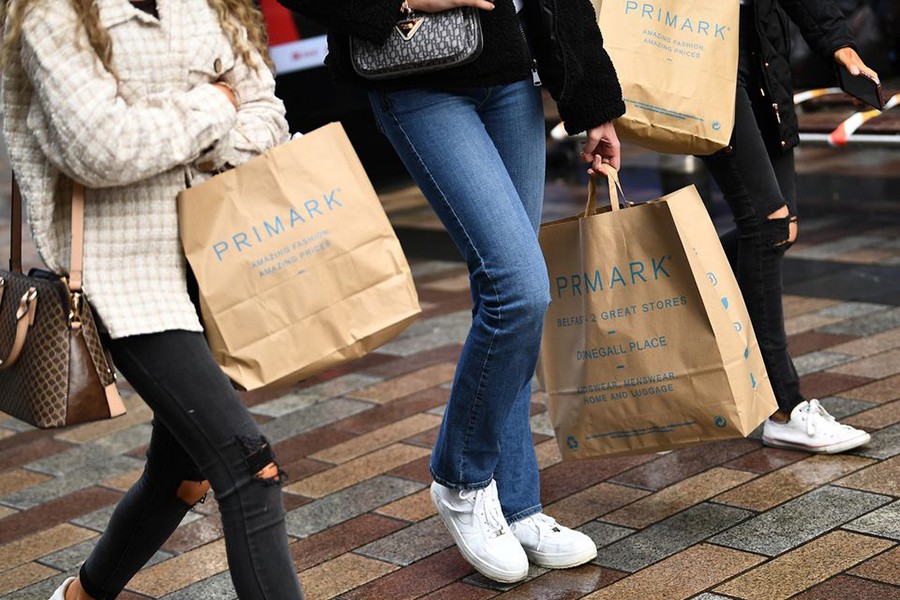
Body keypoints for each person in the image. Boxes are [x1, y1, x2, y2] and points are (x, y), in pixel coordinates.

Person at [279, 0, 624, 584]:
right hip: (415, 75)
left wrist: (592, 103)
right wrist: (403, 2)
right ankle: (462, 477)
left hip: (509, 76)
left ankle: (517, 506)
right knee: (520, 290)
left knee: (505, 292)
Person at [0, 0, 303, 598]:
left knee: (182, 476)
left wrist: (184, 131)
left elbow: (268, 113)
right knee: (250, 469)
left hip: (216, 257)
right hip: (123, 276)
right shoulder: (48, 11)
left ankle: (81, 598)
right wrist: (216, 103)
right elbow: (101, 148)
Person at [699, 0, 876, 454]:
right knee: (767, 223)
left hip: (762, 53)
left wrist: (838, 43)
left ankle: (679, 303)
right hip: (699, 57)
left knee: (782, 229)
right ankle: (783, 406)